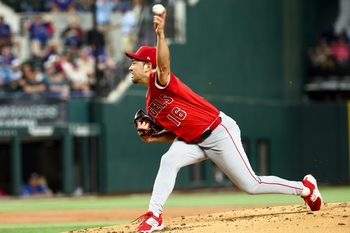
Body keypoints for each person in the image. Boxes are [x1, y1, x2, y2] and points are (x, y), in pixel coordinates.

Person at [125, 10, 323, 233]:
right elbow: (174, 131)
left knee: (251, 185)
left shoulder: (160, 81)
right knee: (168, 160)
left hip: (218, 132)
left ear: (148, 66)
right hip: (192, 141)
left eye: (135, 62)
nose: (130, 66)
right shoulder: (151, 103)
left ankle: (305, 188)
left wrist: (160, 34)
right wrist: (151, 137)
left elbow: (164, 64)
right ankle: (154, 216)